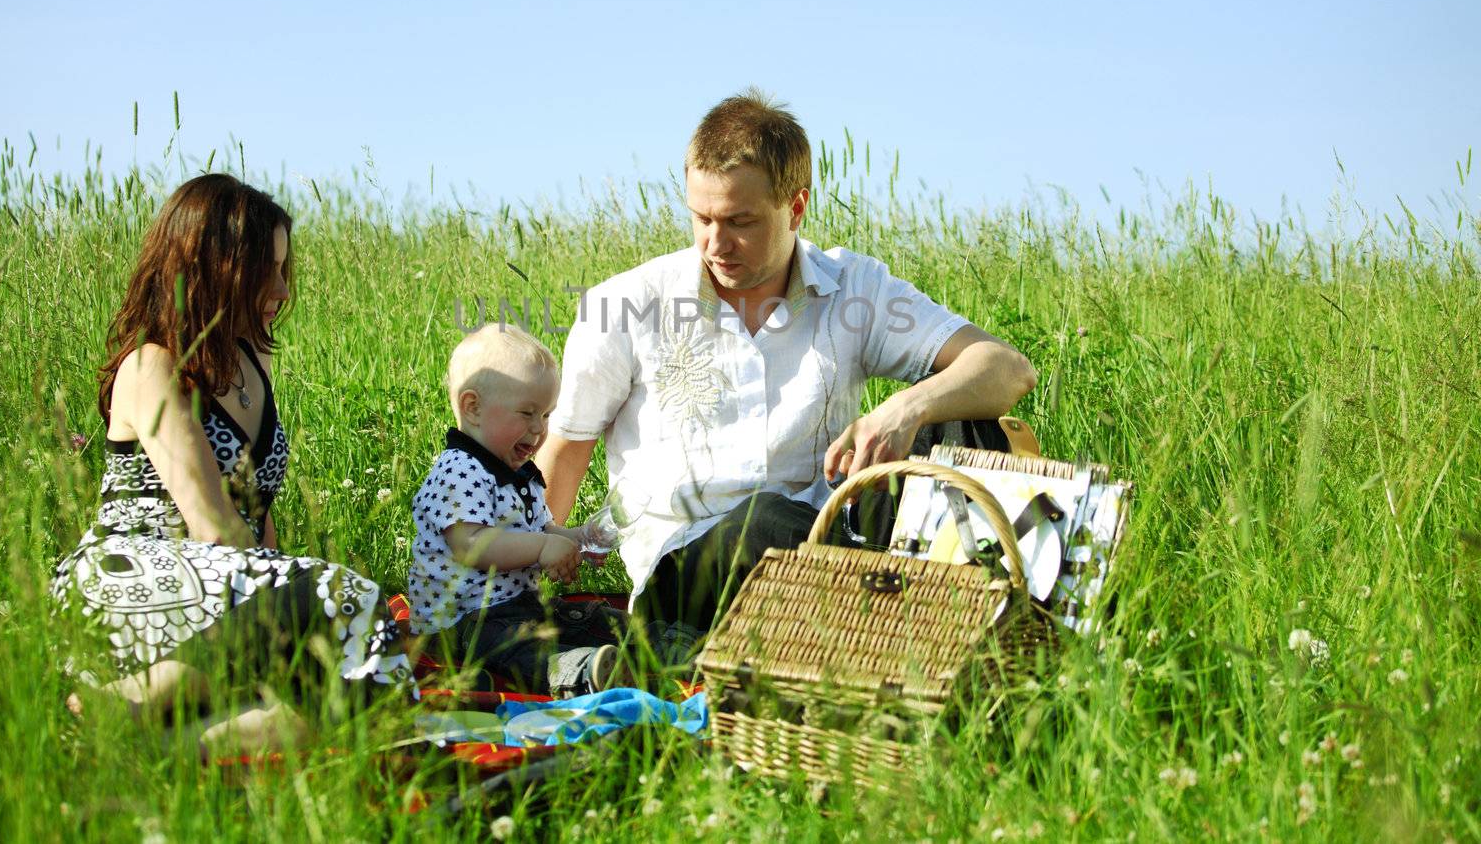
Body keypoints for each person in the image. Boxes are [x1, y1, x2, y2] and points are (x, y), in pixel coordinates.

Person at [536, 90, 1037, 650]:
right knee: (766, 522)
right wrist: (507, 589)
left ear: (795, 208)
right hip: (691, 573)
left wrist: (906, 408)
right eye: (701, 218)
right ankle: (903, 617)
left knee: (964, 427)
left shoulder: (855, 288)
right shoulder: (625, 306)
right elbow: (562, 459)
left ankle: (980, 626)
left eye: (740, 221)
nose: (715, 244)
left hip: (832, 540)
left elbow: (1007, 369)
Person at [51, 174, 413, 754]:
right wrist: (299, 593)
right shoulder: (152, 367)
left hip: (225, 584)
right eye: (265, 272)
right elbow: (213, 525)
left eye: (282, 269)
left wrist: (290, 590)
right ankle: (136, 696)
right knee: (346, 597)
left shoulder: (252, 361)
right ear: (213, 269)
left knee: (374, 693)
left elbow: (258, 512)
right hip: (139, 576)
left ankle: (147, 746)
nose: (281, 289)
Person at [406, 325, 626, 696]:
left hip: (516, 606)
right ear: (472, 407)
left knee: (581, 617)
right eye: (528, 413)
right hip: (461, 621)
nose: (540, 429)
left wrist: (577, 540)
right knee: (517, 649)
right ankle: (581, 673)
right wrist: (541, 548)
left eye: (546, 414)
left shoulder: (517, 472)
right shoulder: (459, 470)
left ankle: (649, 640)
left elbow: (540, 529)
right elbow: (472, 545)